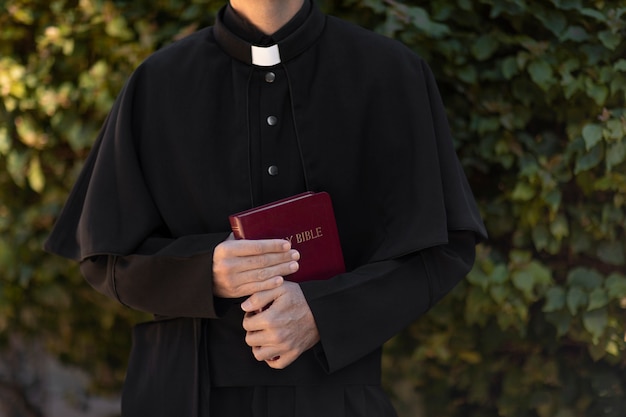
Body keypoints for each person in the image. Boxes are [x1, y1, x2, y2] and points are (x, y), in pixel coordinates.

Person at [44, 0, 488, 416]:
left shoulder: (390, 74)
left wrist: (325, 313)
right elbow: (106, 257)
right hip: (186, 394)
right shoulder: (157, 82)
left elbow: (440, 248)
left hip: (333, 397)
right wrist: (206, 270)